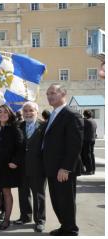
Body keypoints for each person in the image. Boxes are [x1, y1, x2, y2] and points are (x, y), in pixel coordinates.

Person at [42, 83, 83, 236]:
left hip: (63, 169)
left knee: (65, 201)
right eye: (47, 94)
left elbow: (75, 145)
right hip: (52, 167)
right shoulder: (54, 114)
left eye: (53, 93)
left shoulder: (72, 115)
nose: (49, 96)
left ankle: (71, 229)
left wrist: (66, 168)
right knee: (57, 200)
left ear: (63, 94)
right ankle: (64, 226)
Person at [14, 102, 46, 232]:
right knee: (23, 193)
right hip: (22, 167)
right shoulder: (19, 126)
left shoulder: (44, 126)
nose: (28, 113)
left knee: (38, 195)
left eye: (31, 110)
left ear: (36, 112)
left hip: (39, 167)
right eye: (25, 111)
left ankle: (40, 220)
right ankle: (25, 216)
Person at [81, 110, 97, 175]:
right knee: (91, 154)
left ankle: (89, 170)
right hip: (92, 139)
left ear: (85, 115)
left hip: (86, 140)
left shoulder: (86, 121)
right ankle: (93, 169)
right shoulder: (93, 121)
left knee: (87, 155)